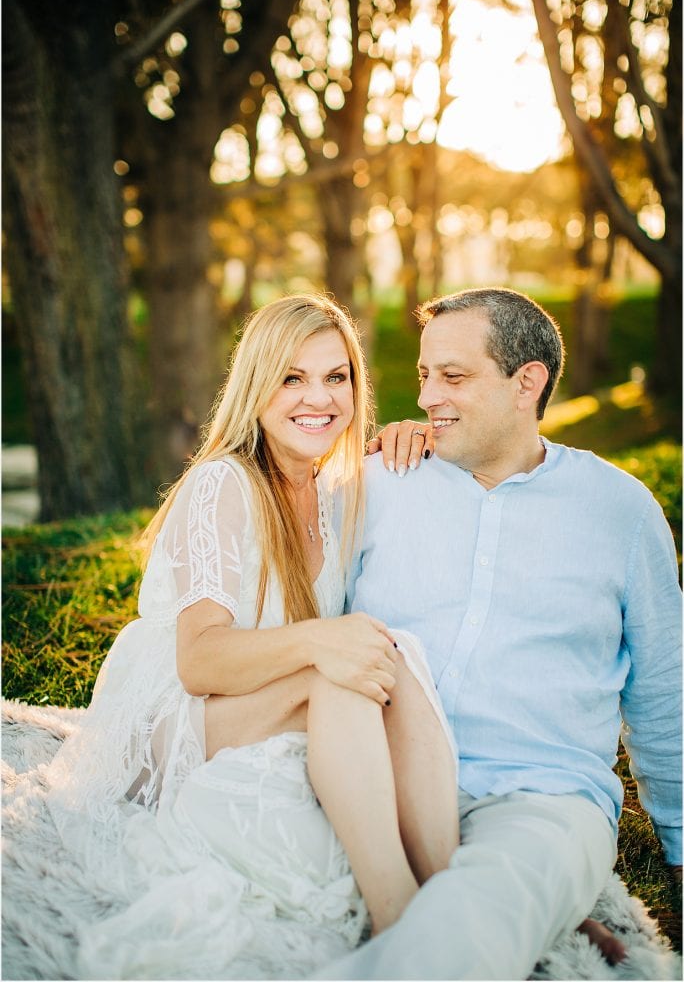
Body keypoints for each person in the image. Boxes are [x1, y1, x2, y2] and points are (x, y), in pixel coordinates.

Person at [45, 293, 459, 979]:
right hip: (172, 721)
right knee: (341, 664)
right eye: (291, 377)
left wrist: (406, 438)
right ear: (255, 385)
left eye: (336, 377)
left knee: (393, 657)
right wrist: (319, 643)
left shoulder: (333, 494)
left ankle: (449, 885)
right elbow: (199, 661)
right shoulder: (222, 485)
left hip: (265, 700)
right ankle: (404, 919)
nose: (317, 398)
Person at [318, 287, 682, 980]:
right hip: (374, 777)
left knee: (471, 923)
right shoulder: (378, 483)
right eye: (425, 376)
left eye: (453, 377)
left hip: (542, 797)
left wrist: (680, 848)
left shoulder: (620, 512)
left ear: (528, 382)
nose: (427, 398)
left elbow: (663, 693)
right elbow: (307, 627)